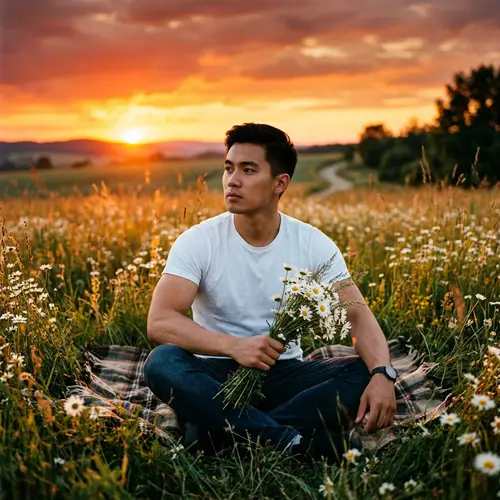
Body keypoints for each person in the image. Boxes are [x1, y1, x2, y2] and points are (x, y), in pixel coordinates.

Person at [144, 123, 397, 462]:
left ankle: (224, 436)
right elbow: (160, 321)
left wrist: (383, 373)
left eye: (248, 170)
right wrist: (234, 346)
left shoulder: (312, 243)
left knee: (363, 371)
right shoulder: (198, 241)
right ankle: (292, 443)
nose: (233, 180)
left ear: (280, 183)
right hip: (214, 377)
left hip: (285, 375)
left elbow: (357, 315)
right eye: (229, 168)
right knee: (162, 362)